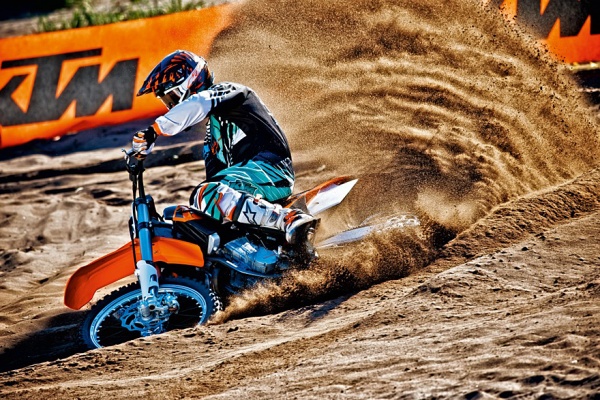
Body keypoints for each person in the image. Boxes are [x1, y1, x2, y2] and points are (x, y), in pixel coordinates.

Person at [132, 50, 315, 245]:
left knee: (204, 194)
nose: (171, 106)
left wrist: (154, 130)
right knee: (200, 206)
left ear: (191, 81)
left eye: (172, 97)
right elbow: (218, 190)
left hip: (272, 170)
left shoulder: (230, 91)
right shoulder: (211, 141)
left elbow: (198, 103)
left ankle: (287, 219)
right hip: (251, 184)